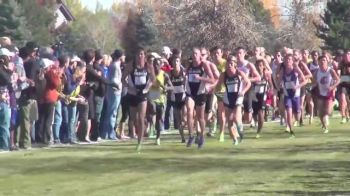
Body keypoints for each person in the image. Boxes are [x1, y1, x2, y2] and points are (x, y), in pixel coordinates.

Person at [123, 48, 155, 152]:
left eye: (141, 54)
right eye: (138, 54)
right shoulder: (130, 66)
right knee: (134, 118)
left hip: (143, 94)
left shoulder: (148, 66)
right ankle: (143, 127)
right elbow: (122, 79)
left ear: (144, 56)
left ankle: (140, 142)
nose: (139, 56)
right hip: (132, 94)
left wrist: (147, 88)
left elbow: (153, 79)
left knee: (141, 117)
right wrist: (129, 87)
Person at [216, 55, 251, 145]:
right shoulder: (223, 75)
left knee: (236, 117)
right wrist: (219, 96)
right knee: (230, 120)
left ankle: (241, 132)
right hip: (228, 97)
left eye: (232, 63)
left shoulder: (239, 73)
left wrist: (243, 91)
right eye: (228, 63)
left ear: (235, 64)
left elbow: (248, 83)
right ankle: (235, 139)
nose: (230, 65)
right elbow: (218, 87)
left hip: (238, 96)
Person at [185, 47, 215, 148]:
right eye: (193, 54)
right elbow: (185, 74)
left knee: (200, 117)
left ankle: (202, 135)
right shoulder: (189, 65)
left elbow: (212, 79)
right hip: (190, 92)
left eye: (196, 54)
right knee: (189, 110)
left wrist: (200, 78)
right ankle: (191, 135)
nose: (194, 56)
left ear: (199, 55)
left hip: (200, 92)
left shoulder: (204, 65)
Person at [277, 54, 307, 138]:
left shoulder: (296, 69)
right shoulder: (283, 71)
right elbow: (279, 81)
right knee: (289, 113)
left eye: (290, 59)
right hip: (287, 94)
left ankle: (297, 119)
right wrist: (280, 85)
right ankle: (291, 131)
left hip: (296, 94)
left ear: (292, 61)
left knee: (297, 114)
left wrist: (297, 86)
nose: (288, 61)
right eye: (286, 59)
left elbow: (305, 81)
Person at [235, 47, 261, 140]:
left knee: (248, 118)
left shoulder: (248, 65)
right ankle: (238, 129)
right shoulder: (233, 65)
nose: (238, 55)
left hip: (247, 89)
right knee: (236, 110)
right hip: (236, 90)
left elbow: (258, 78)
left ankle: (252, 114)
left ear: (244, 53)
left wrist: (247, 79)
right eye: (237, 53)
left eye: (240, 53)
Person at [102, 49, 124, 141]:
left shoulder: (113, 65)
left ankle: (106, 132)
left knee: (110, 112)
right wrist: (118, 85)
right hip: (114, 92)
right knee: (112, 112)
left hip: (113, 91)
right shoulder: (115, 66)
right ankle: (110, 133)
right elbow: (113, 80)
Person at [313, 55, 340, 133]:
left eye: (324, 60)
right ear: (318, 62)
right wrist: (311, 85)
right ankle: (325, 127)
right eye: (321, 61)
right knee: (320, 112)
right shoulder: (316, 72)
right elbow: (314, 82)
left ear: (327, 62)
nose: (322, 62)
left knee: (327, 112)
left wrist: (332, 87)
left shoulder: (330, 71)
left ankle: (334, 103)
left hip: (329, 92)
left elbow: (338, 80)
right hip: (320, 92)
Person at [168, 55, 186, 143]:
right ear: (172, 63)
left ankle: (185, 125)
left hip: (183, 96)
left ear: (180, 62)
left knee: (185, 117)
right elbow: (166, 85)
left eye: (177, 61)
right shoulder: (169, 73)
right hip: (174, 97)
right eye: (174, 61)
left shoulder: (183, 72)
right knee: (178, 118)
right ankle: (182, 137)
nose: (176, 63)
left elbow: (187, 82)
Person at [252, 59, 273, 138]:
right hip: (254, 95)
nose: (259, 67)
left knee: (261, 112)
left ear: (263, 66)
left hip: (263, 95)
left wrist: (270, 90)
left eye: (260, 65)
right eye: (257, 65)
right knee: (254, 113)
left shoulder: (266, 74)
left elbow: (271, 84)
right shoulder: (253, 74)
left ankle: (258, 131)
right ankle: (256, 122)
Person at [0, 48, 13, 152]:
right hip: (2, 98)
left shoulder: (4, 69)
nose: (10, 59)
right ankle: (4, 146)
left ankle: (5, 145)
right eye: (8, 57)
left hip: (5, 98)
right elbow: (7, 80)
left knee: (5, 124)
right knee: (4, 124)